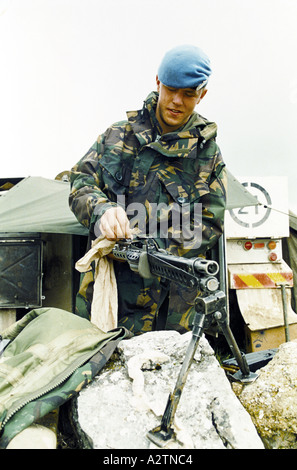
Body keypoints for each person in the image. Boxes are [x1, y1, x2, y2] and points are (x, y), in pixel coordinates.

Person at [69, 44, 227, 334]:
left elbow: (210, 220)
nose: (176, 101)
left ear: (202, 95)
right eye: (171, 90)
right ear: (158, 82)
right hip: (112, 294)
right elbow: (80, 183)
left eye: (188, 94)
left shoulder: (207, 154)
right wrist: (102, 211)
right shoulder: (117, 136)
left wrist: (156, 252)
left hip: (173, 306)